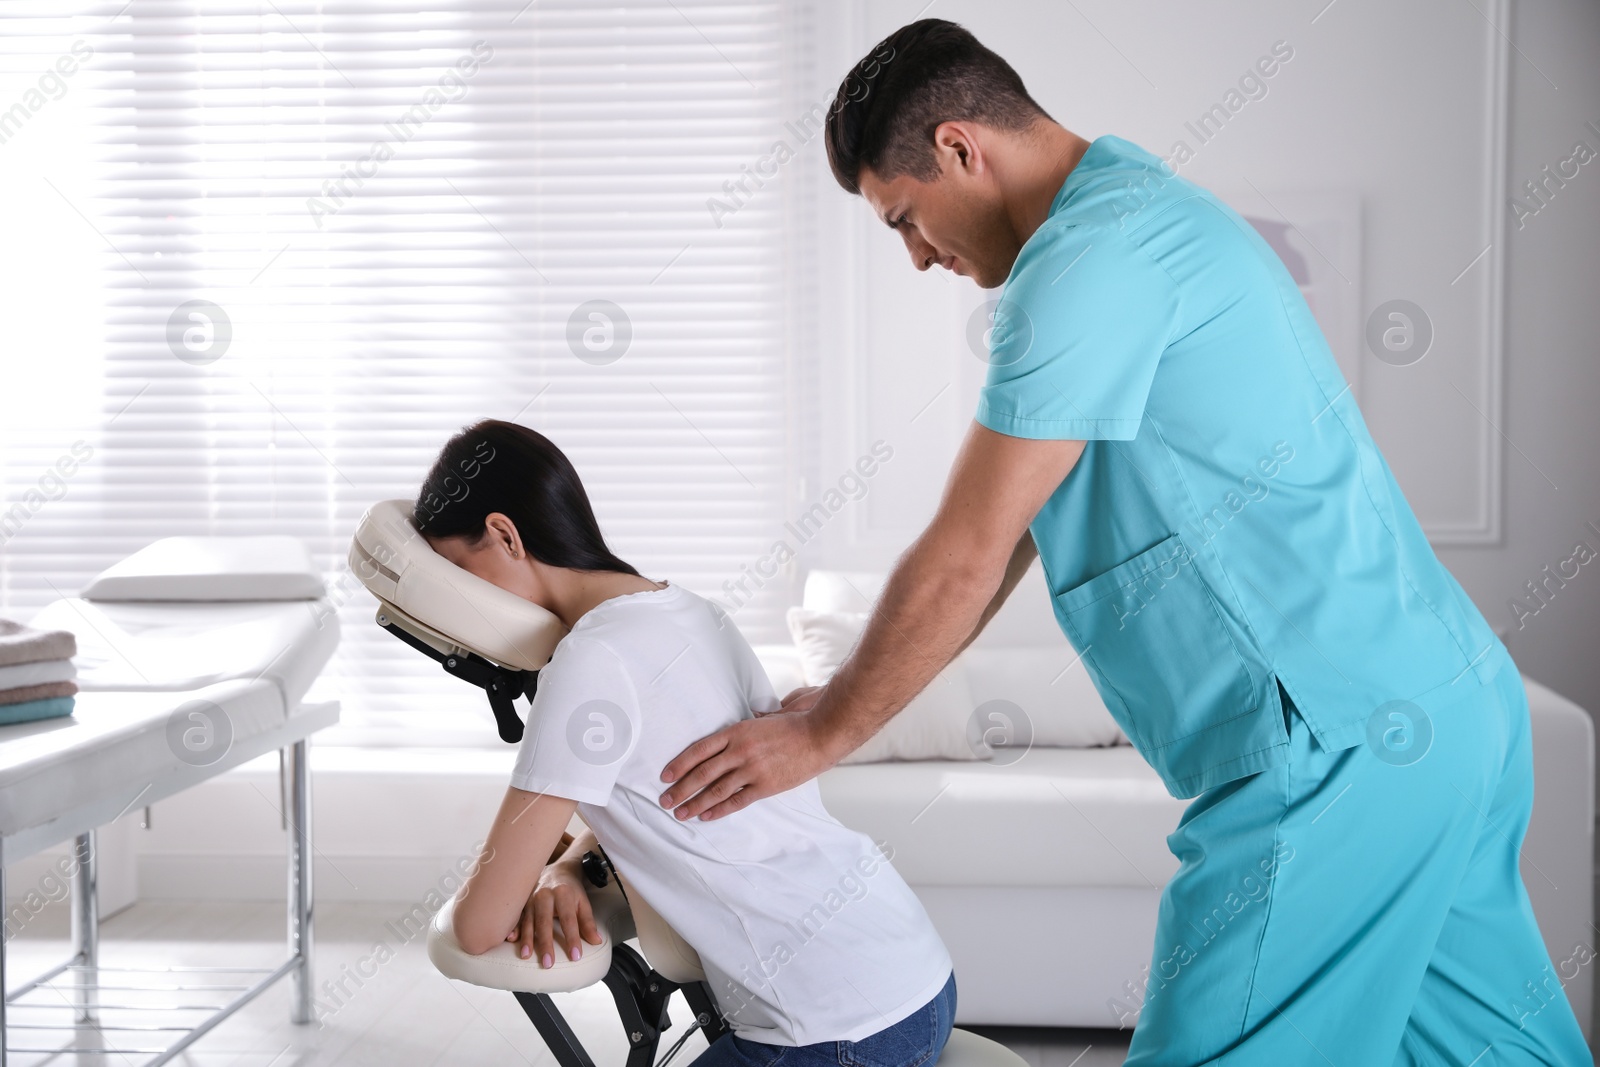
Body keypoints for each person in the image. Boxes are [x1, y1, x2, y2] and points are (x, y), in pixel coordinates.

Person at [654, 19, 1592, 1066]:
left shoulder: (1084, 264)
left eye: (904, 220)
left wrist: (822, 736)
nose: (918, 257)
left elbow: (966, 550)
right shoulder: (1143, 213)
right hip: (1443, 708)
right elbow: (1005, 539)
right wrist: (844, 698)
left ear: (962, 147)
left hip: (1332, 745)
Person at [423, 419, 956, 1067]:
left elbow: (478, 927)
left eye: (457, 568)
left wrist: (509, 884)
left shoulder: (585, 661)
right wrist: (566, 865)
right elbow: (667, 794)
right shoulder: (692, 611)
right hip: (917, 978)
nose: (461, 598)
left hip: (830, 1031)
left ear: (505, 534)